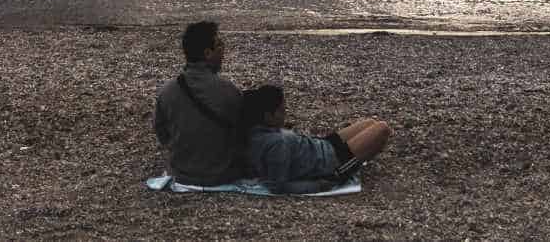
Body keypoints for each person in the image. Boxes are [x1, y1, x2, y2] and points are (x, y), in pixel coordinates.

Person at [241, 84, 392, 193]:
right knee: (382, 129)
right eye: (281, 111)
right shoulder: (276, 144)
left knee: (371, 123)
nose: (285, 114)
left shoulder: (258, 133)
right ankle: (346, 171)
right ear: (268, 116)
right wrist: (319, 185)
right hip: (332, 163)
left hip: (322, 146)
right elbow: (278, 185)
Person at [153, 20, 250, 185]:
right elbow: (244, 134)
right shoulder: (228, 90)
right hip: (222, 173)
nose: (224, 50)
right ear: (207, 53)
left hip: (182, 171)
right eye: (219, 45)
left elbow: (162, 133)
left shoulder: (166, 91)